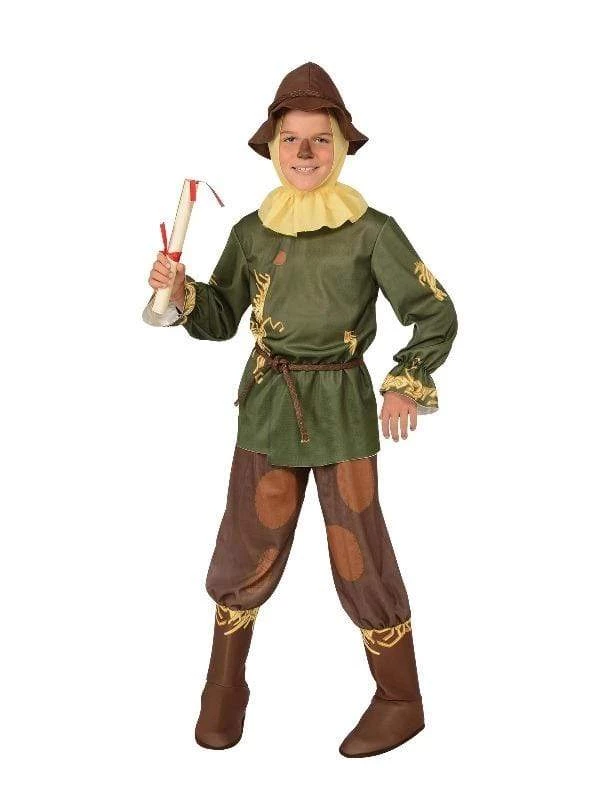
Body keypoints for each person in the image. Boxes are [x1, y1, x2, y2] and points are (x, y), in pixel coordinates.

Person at [143, 62, 458, 758]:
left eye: (320, 139)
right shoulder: (253, 232)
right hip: (268, 409)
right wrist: (183, 290)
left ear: (340, 147)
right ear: (272, 147)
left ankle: (400, 698)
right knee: (246, 544)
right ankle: (224, 686)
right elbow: (220, 316)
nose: (305, 152)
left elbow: (434, 311)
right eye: (291, 139)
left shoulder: (372, 231)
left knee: (358, 551)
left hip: (342, 409)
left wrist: (406, 379)